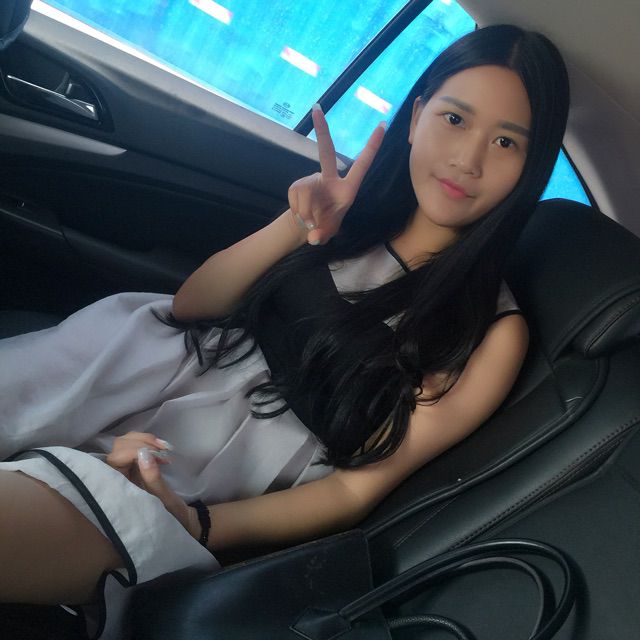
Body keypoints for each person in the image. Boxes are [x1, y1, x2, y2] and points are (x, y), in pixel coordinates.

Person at [0, 23, 569, 637]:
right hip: (125, 366)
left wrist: (198, 524)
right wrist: (296, 225)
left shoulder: (489, 330)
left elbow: (354, 493)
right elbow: (192, 305)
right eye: (455, 119)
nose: (468, 159)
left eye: (506, 142)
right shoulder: (348, 211)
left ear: (530, 167)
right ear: (416, 116)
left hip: (197, 475)